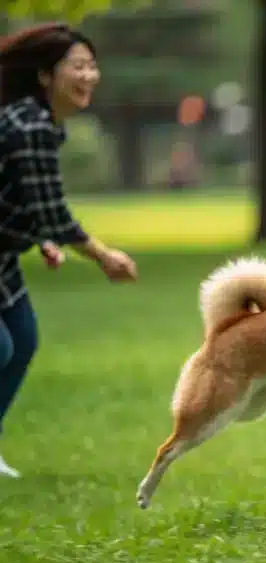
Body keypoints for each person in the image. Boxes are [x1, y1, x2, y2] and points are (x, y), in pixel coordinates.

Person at [0, 23, 138, 478]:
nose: (90, 75)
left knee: (22, 342)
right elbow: (53, 212)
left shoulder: (40, 125)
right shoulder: (29, 125)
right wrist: (103, 256)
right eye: (78, 66)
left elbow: (22, 196)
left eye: (92, 65)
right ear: (44, 76)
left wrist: (39, 238)